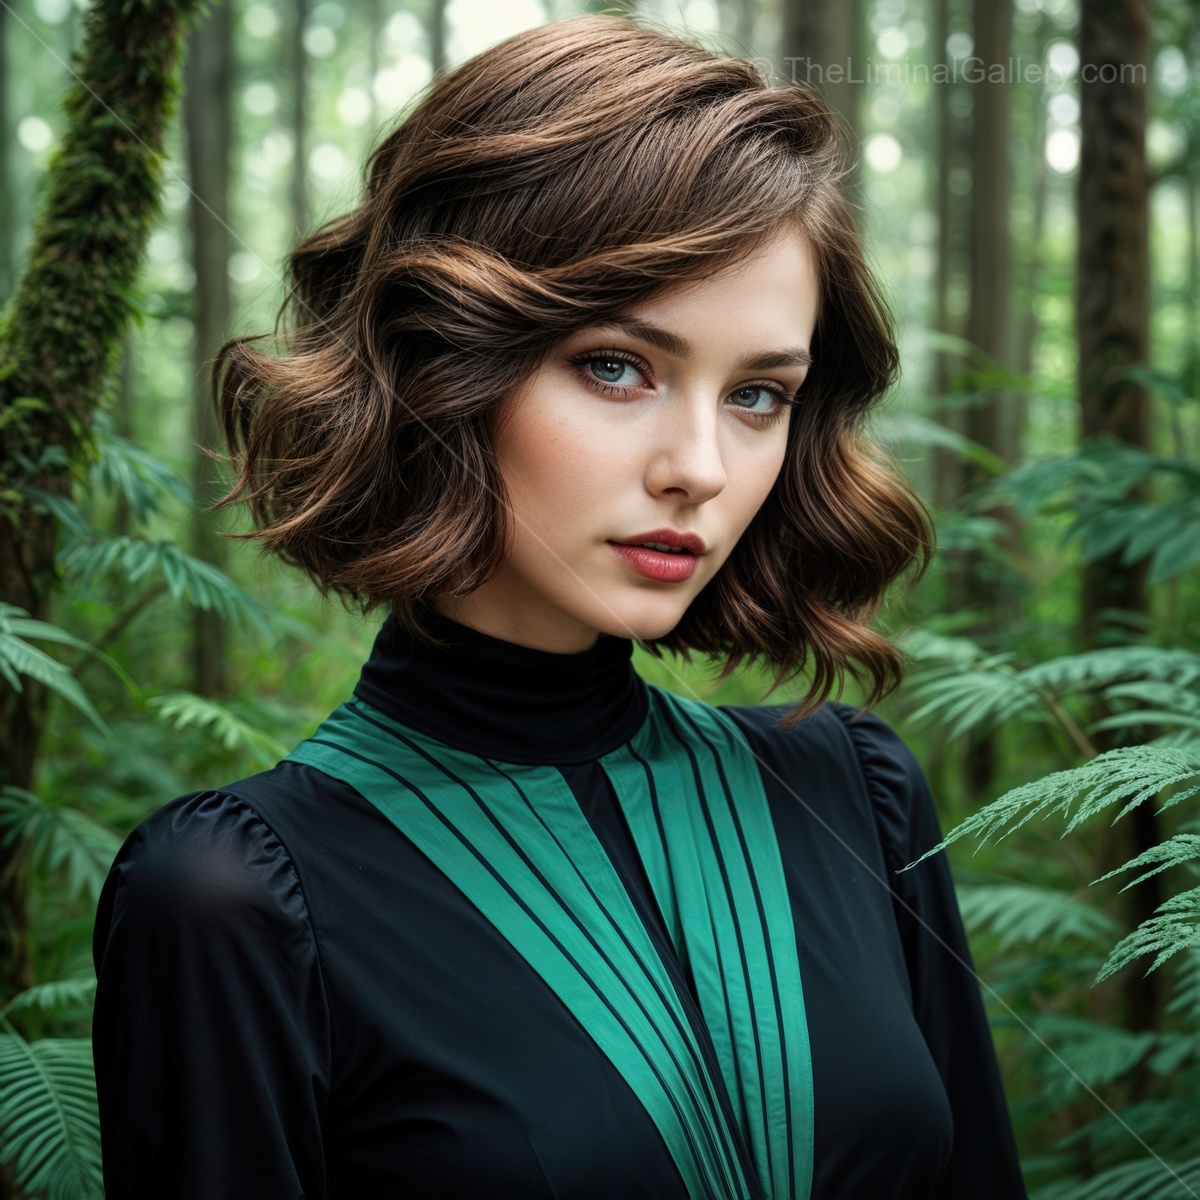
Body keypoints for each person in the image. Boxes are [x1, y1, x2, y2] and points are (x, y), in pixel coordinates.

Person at [92, 15, 1026, 1200]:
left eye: (757, 393)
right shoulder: (233, 900)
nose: (701, 464)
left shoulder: (854, 793)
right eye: (617, 366)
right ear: (442, 363)